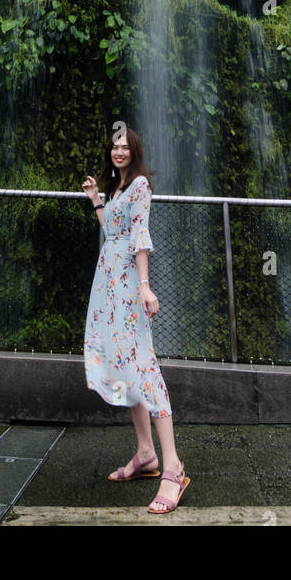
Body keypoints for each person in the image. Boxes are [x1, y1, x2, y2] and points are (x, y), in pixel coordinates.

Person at [82, 124, 190, 515]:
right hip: (107, 283)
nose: (119, 152)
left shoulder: (141, 186)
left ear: (135, 151)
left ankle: (173, 467)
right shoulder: (116, 188)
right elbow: (113, 231)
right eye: (115, 147)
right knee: (126, 366)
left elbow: (139, 236)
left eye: (126, 147)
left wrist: (145, 287)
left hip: (128, 284)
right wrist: (96, 199)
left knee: (143, 366)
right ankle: (146, 453)